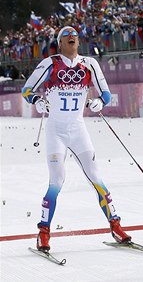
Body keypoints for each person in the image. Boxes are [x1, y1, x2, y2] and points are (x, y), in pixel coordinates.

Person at [20, 26, 131, 252]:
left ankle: (116, 225)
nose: (72, 38)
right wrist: (36, 101)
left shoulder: (89, 63)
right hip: (56, 131)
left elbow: (106, 93)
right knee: (57, 181)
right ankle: (43, 232)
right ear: (59, 43)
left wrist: (101, 102)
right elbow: (26, 89)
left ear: (78, 42)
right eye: (66, 36)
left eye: (75, 36)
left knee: (96, 178)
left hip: (78, 129)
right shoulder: (50, 63)